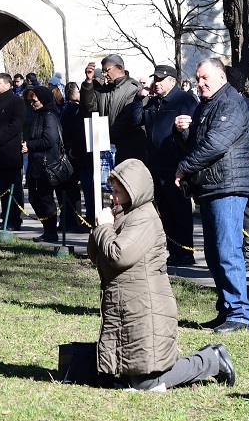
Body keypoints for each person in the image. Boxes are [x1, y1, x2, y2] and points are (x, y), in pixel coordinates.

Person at [91, 159, 236, 391]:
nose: (112, 196)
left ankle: (211, 360)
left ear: (133, 191)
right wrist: (102, 227)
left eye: (117, 191)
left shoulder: (144, 218)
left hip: (146, 308)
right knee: (130, 376)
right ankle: (209, 359)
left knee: (147, 383)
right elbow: (97, 255)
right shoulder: (124, 216)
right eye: (112, 190)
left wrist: (105, 228)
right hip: (127, 306)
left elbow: (118, 255)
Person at [174, 59, 249, 333]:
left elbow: (216, 145)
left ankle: (240, 315)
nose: (200, 83)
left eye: (205, 78)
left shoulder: (231, 103)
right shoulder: (205, 106)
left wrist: (183, 168)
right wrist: (181, 131)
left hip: (228, 187)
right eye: (197, 79)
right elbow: (195, 144)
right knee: (213, 253)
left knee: (228, 251)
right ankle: (226, 310)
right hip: (209, 187)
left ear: (221, 76)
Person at [131, 64, 199, 266]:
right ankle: (174, 251)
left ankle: (186, 252)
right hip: (156, 165)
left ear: (172, 80)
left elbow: (192, 132)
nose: (157, 83)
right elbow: (136, 120)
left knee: (180, 211)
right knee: (165, 212)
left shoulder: (184, 100)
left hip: (176, 166)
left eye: (161, 80)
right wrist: (138, 98)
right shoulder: (153, 102)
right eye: (156, 80)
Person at [0, 73, 27, 231]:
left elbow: (15, 125)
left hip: (10, 152)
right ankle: (5, 217)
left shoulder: (16, 102)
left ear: (8, 85)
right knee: (2, 189)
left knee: (13, 188)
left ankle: (14, 219)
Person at [81, 54, 145, 165]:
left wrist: (105, 135)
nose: (104, 75)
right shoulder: (103, 91)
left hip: (127, 150)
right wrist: (88, 82)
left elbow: (129, 120)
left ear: (119, 68)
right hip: (105, 150)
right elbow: (88, 106)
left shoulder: (134, 88)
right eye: (103, 72)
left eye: (107, 70)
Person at [22, 84, 63, 243]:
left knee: (45, 198)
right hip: (36, 164)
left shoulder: (49, 116)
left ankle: (51, 231)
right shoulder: (38, 115)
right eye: (31, 102)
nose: (32, 105)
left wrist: (30, 145)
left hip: (46, 164)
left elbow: (49, 140)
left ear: (43, 100)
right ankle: (47, 229)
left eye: (35, 101)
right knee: (34, 198)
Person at [59, 80, 95, 230]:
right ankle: (75, 220)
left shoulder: (73, 108)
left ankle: (79, 220)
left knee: (85, 189)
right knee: (78, 188)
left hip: (78, 152)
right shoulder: (73, 108)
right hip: (74, 152)